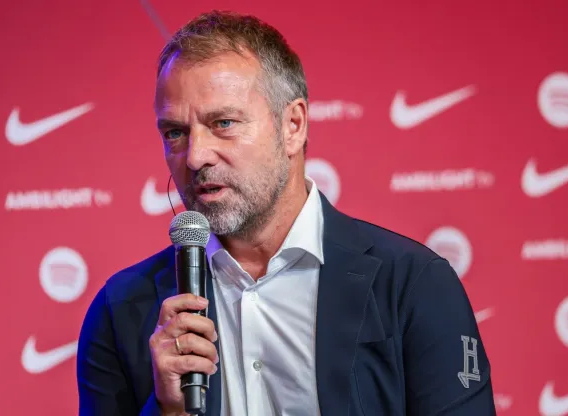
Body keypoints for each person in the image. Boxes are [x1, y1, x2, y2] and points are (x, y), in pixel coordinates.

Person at [76, 10, 495, 416]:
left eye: (223, 123)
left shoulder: (411, 284)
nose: (196, 155)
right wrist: (168, 411)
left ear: (293, 125)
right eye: (175, 133)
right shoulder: (122, 309)